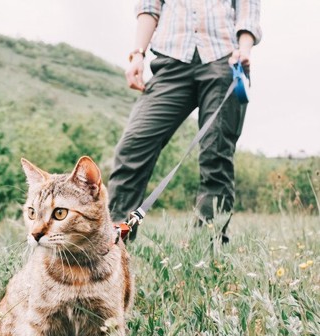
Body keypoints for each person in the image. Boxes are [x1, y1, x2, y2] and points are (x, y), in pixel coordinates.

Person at [107, 0, 261, 241]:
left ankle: (208, 246)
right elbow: (149, 6)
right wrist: (138, 53)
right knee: (133, 145)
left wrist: (244, 49)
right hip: (171, 61)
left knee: (216, 155)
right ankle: (114, 241)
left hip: (223, 59)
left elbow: (247, 9)